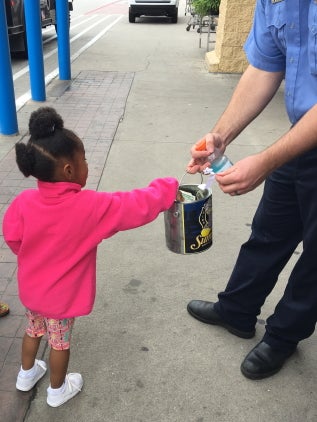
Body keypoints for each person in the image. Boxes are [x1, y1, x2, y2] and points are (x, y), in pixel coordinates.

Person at [2, 107, 178, 406]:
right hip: (60, 298)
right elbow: (133, 205)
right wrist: (167, 188)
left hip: (31, 290)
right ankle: (58, 392)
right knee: (59, 343)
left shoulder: (24, 200)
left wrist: (33, 258)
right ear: (69, 171)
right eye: (84, 160)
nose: (87, 165)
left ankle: (26, 374)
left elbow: (13, 237)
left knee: (33, 330)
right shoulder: (89, 207)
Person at [186, 1, 317, 380]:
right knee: (269, 229)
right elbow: (265, 67)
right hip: (301, 135)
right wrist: (219, 137)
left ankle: (283, 335)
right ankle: (237, 309)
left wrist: (264, 161)